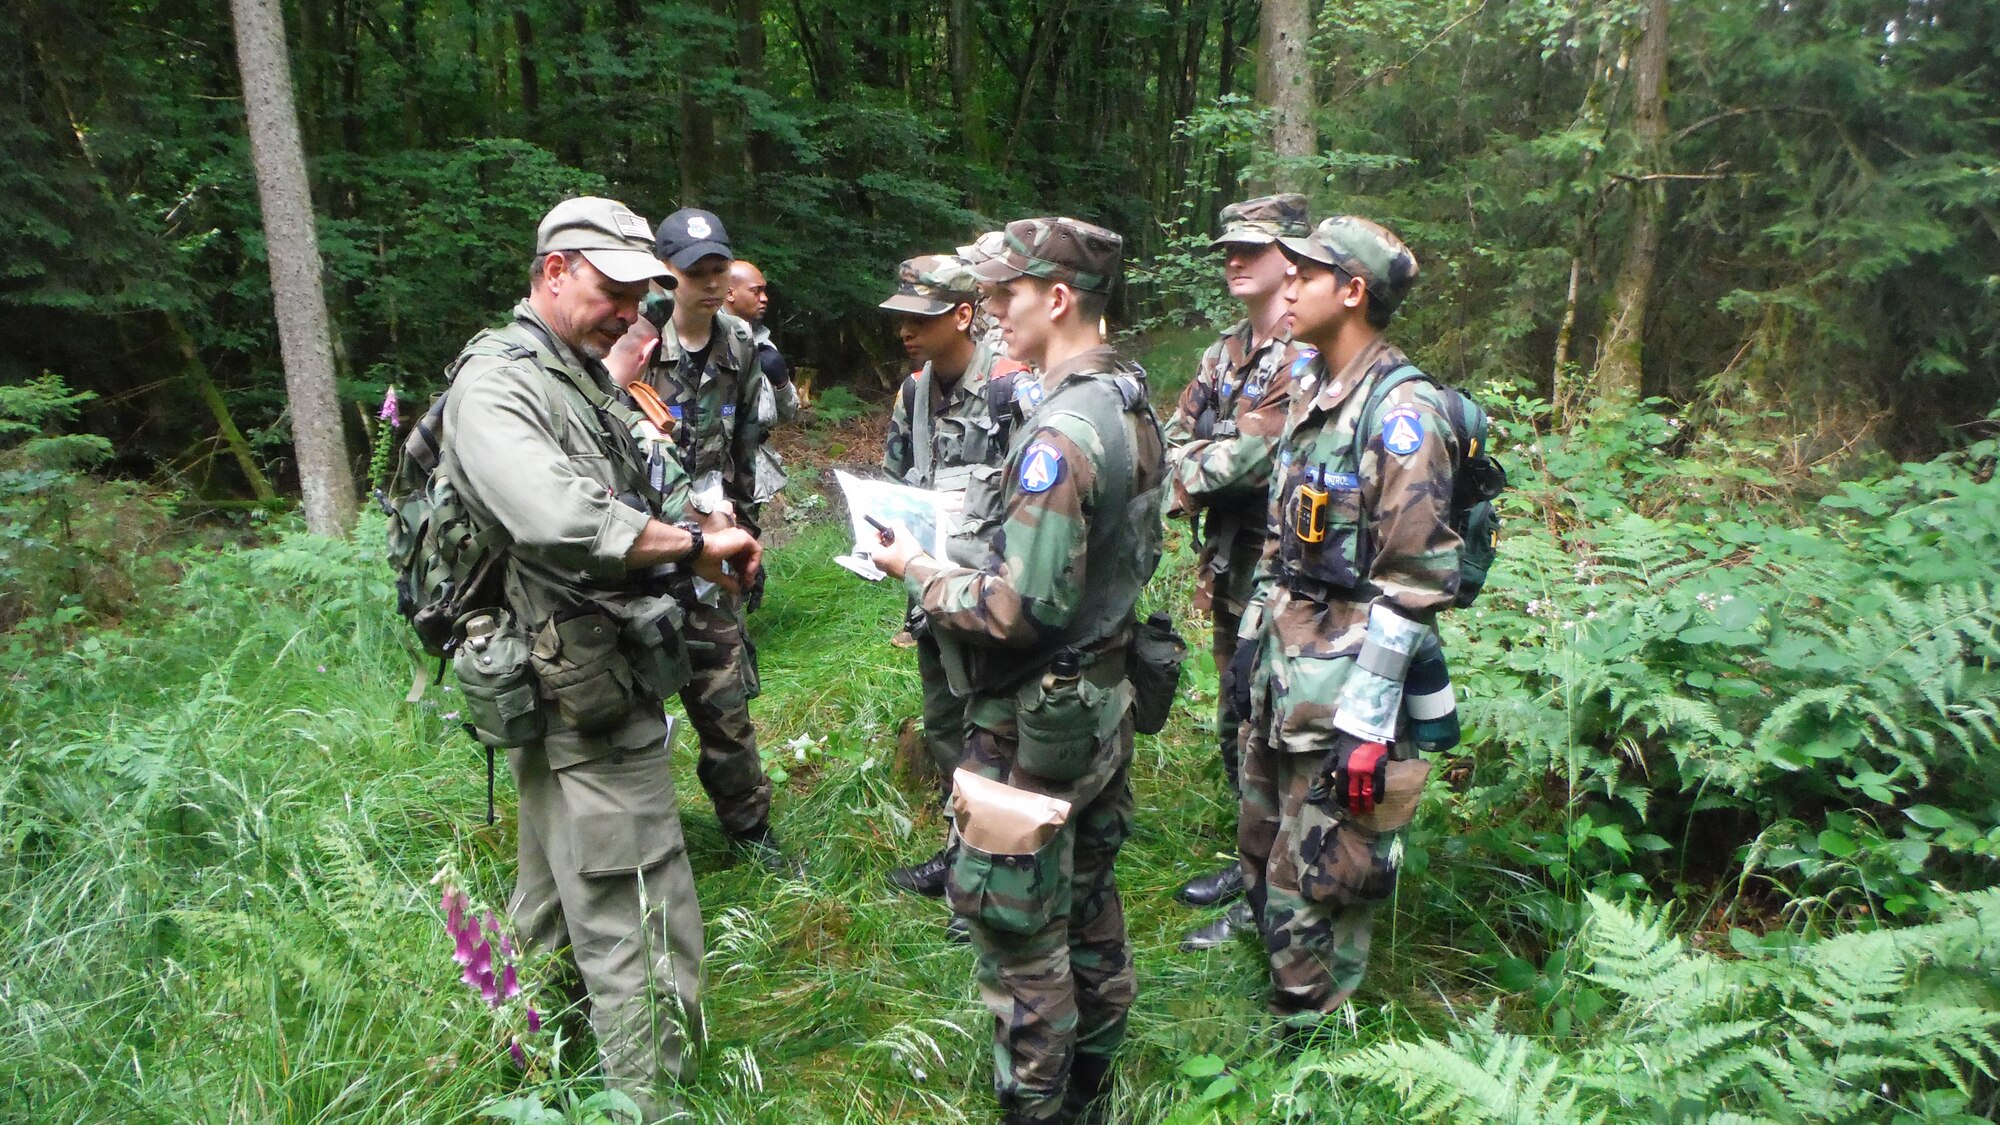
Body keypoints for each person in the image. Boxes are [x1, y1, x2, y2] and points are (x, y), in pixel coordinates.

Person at [437, 196, 762, 1116]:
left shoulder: (568, 373)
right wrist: (695, 549)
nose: (632, 310)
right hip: (582, 684)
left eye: (639, 292)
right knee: (640, 907)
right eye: (614, 290)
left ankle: (526, 1069)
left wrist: (704, 524)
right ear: (553, 273)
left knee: (547, 895)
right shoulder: (498, 386)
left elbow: (630, 477)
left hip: (574, 676)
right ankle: (652, 1100)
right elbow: (559, 517)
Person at [875, 217, 1164, 1125]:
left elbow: (1018, 608)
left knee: (1019, 932)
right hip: (1100, 694)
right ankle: (1093, 1084)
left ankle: (1038, 1107)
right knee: (1087, 903)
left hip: (1036, 718)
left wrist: (922, 572)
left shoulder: (1061, 432)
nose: (994, 313)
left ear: (1059, 298)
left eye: (1006, 295)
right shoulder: (1127, 393)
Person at [1236, 214, 1458, 1025]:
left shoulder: (1402, 414)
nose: (1285, 286)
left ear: (1353, 290)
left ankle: (1319, 1036)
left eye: (1305, 275)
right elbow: (1285, 534)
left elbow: (1416, 577)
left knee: (1328, 870)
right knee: (1266, 848)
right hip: (1286, 676)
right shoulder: (1313, 387)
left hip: (1347, 695)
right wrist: (1249, 641)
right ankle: (1283, 985)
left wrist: (1367, 722)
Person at [1162, 194, 1311, 950]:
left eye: (1251, 247)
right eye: (1229, 245)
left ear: (1292, 260)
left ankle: (1277, 889)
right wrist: (1203, 456)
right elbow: (1175, 437)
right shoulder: (1224, 354)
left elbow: (1257, 458)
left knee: (1272, 722)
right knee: (1233, 715)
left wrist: (1200, 458)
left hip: (1287, 563)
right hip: (1228, 559)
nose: (1234, 257)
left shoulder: (1306, 353)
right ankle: (1250, 859)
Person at [636, 207, 792, 871]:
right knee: (632, 706)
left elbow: (745, 449)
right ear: (665, 276)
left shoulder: (739, 344)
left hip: (716, 552)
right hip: (640, 548)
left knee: (725, 698)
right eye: (693, 271)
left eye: (716, 269)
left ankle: (750, 830)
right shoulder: (635, 340)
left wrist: (746, 534)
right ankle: (640, 847)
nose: (707, 282)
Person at [876, 253, 1030, 902]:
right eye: (902, 318)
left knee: (997, 735)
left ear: (964, 315)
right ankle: (960, 848)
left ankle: (995, 875)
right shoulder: (914, 391)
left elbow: (1040, 503)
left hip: (991, 599)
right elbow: (895, 479)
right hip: (931, 596)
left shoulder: (1011, 388)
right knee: (944, 726)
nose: (906, 330)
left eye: (923, 317)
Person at [725, 258, 800, 518]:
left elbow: (790, 413)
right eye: (755, 291)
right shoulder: (712, 341)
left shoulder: (765, 345)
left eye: (764, 290)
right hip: (719, 464)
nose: (764, 298)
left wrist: (781, 382)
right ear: (729, 293)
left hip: (753, 462)